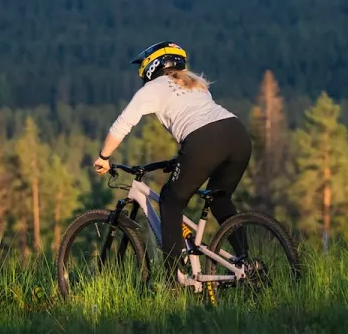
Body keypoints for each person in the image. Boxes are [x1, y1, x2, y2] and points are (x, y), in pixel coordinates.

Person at [92, 40, 252, 281]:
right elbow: (198, 124)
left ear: (152, 64)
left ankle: (174, 277)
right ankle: (246, 265)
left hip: (203, 141)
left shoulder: (153, 88)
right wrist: (180, 160)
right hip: (238, 134)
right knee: (220, 200)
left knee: (170, 201)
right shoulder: (197, 85)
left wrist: (104, 157)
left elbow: (122, 124)